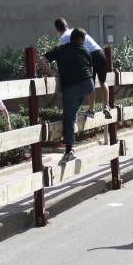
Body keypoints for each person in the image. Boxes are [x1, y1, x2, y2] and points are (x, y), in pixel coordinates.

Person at [42, 28, 94, 165]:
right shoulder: (85, 50)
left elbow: (42, 60)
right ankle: (91, 109)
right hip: (87, 85)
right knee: (75, 110)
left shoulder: (61, 49)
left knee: (69, 119)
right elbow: (90, 70)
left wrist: (53, 74)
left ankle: (69, 151)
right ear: (81, 39)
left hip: (70, 87)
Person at [54, 18, 111, 119]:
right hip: (100, 52)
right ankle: (106, 106)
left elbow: (66, 54)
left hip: (89, 56)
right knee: (103, 81)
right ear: (67, 25)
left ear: (57, 30)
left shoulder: (63, 39)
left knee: (91, 84)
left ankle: (91, 110)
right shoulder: (75, 31)